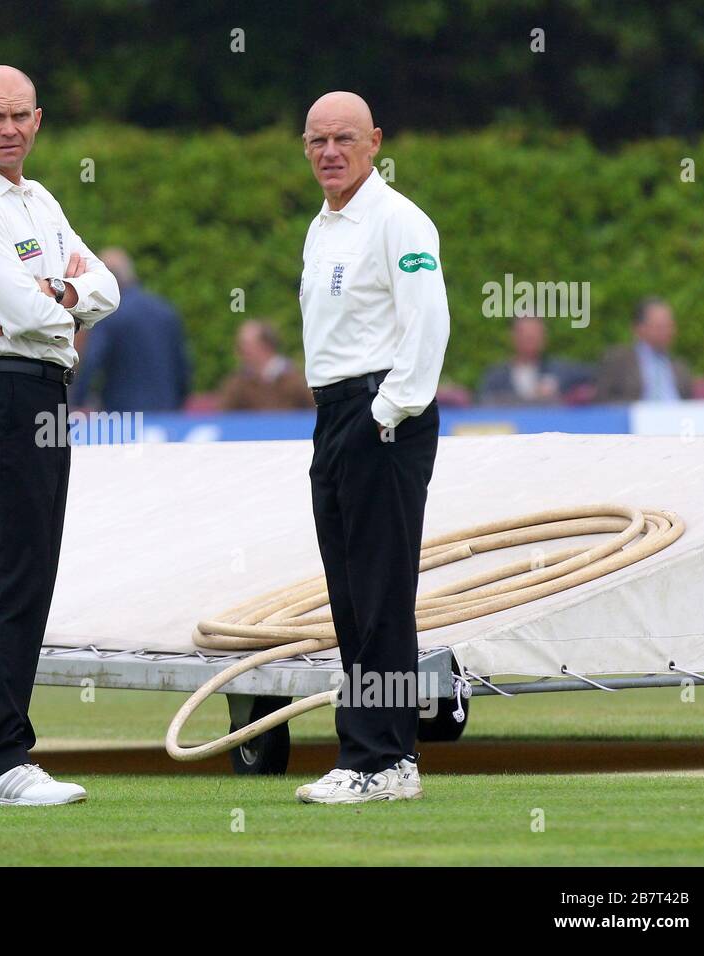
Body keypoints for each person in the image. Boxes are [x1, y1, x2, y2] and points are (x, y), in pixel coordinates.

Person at [0, 65, 119, 807]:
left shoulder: (37, 199)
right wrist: (49, 302)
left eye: (21, 117)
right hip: (1, 388)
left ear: (38, 121)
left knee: (32, 572)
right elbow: (19, 308)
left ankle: (5, 757)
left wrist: (56, 295)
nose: (9, 129)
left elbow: (104, 287)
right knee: (11, 573)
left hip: (44, 390)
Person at [295, 91, 449, 804]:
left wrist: (385, 413)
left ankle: (382, 759)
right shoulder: (322, 227)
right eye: (319, 139)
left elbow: (428, 328)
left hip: (381, 414)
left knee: (382, 592)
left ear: (376, 142)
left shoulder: (398, 220)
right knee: (351, 595)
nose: (331, 151)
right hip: (335, 414)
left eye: (345, 138)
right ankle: (374, 754)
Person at [69, 248, 189, 411]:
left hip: (123, 413)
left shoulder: (108, 314)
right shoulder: (165, 311)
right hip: (167, 409)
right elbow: (182, 364)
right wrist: (179, 400)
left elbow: (91, 361)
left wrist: (76, 399)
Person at [477, 314, 591, 405]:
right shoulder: (495, 377)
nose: (530, 341)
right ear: (513, 337)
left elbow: (598, 383)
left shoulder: (562, 371)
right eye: (526, 336)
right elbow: (485, 407)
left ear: (544, 338)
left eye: (535, 336)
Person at [595, 297, 693, 402]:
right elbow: (602, 401)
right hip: (636, 416)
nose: (667, 332)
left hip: (676, 416)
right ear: (638, 328)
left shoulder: (680, 366)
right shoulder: (618, 360)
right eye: (659, 327)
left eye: (669, 326)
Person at [219, 320, 314, 410]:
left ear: (265, 345)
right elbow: (224, 415)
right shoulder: (238, 382)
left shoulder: (294, 378)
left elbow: (315, 409)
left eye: (246, 345)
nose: (241, 350)